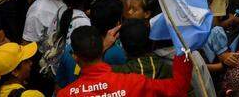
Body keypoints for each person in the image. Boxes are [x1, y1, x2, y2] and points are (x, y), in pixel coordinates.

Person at [56, 25, 192, 97]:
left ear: (75, 57)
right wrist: (183, 48)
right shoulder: (135, 82)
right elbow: (178, 89)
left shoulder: (66, 94)